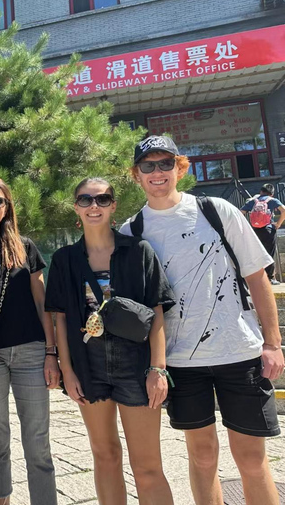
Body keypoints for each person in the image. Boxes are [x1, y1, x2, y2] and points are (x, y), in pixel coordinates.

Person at [120, 135, 285, 505]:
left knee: (252, 461)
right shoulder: (132, 232)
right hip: (182, 361)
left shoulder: (217, 210)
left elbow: (257, 276)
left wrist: (273, 344)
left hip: (238, 351)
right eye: (148, 166)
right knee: (203, 456)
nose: (157, 172)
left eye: (165, 164)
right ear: (136, 175)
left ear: (180, 167)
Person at [45, 177, 175, 505]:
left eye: (102, 200)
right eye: (86, 200)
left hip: (136, 365)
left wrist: (158, 369)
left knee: (147, 466)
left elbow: (157, 311)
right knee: (104, 456)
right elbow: (59, 316)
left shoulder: (138, 251)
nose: (94, 206)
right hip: (90, 366)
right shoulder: (65, 259)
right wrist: (67, 371)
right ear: (76, 206)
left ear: (113, 206)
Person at [0, 177, 60, 505]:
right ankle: (1, 500)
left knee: (37, 440)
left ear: (7, 209)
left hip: (31, 351)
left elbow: (41, 301)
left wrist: (52, 352)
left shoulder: (25, 246)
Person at [241, 183, 285, 285]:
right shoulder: (272, 200)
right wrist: (278, 224)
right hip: (268, 229)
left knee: (256, 253)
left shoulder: (253, 201)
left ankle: (257, 278)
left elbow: (241, 212)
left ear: (261, 191)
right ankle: (270, 278)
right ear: (272, 193)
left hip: (254, 230)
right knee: (269, 253)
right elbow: (284, 210)